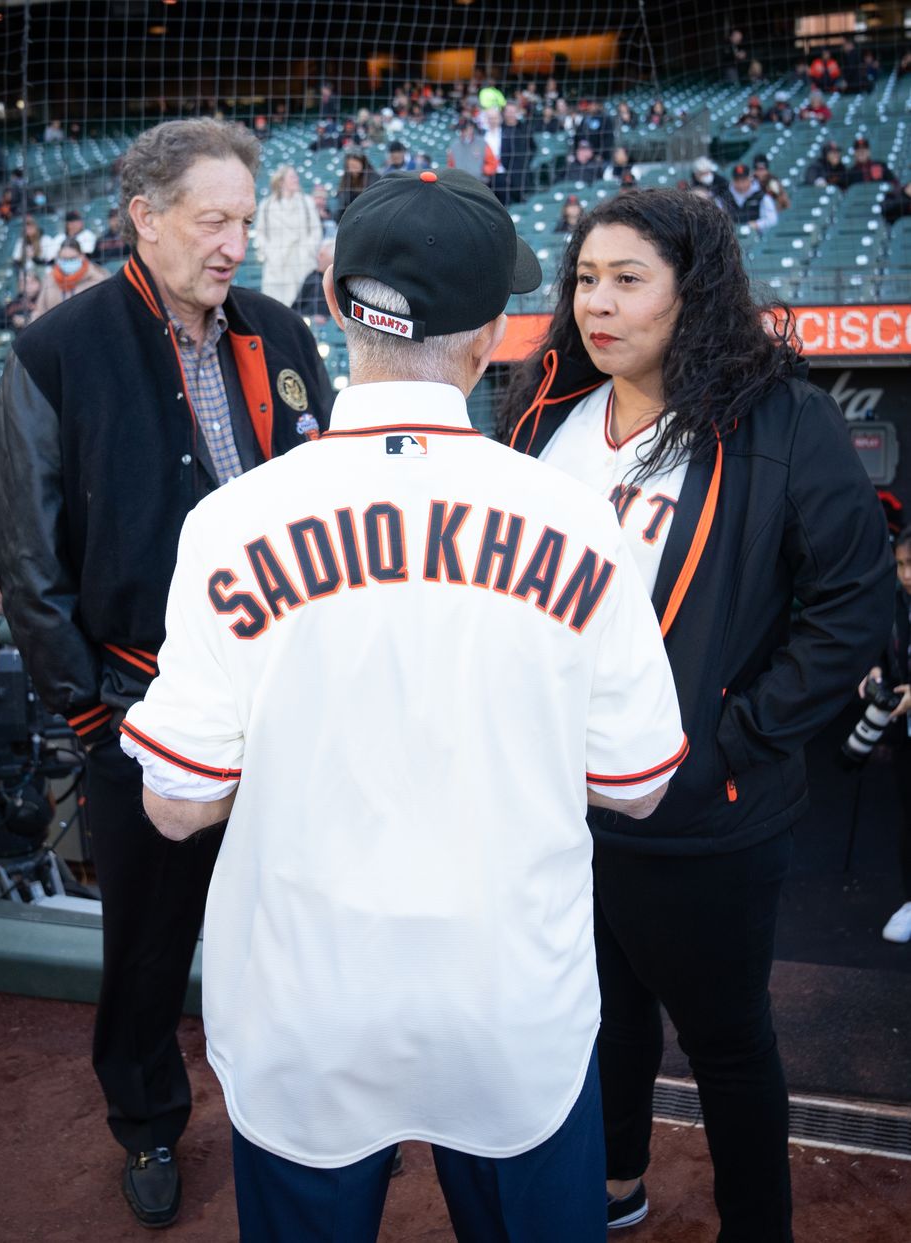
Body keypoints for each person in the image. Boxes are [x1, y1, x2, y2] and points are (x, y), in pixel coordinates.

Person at [118, 166, 686, 1243]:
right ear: (491, 336)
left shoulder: (232, 522)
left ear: (332, 300)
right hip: (508, 1000)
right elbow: (639, 782)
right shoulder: (576, 520)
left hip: (306, 1007)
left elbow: (179, 805)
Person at [499, 187, 893, 1242]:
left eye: (628, 279)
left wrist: (733, 740)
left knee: (725, 1040)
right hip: (555, 802)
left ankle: (754, 1223)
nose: (597, 302)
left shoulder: (779, 418)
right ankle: (614, 1181)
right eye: (585, 278)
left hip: (702, 807)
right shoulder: (541, 416)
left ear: (695, 289)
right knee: (598, 1015)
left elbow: (853, 601)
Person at [0, 117, 332, 1231]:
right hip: (137, 712)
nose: (234, 242)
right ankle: (145, 1124)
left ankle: (307, 1118)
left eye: (242, 219)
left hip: (286, 708)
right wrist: (87, 709)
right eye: (211, 219)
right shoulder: (56, 348)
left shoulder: (279, 331)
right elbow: (27, 557)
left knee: (295, 927)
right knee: (144, 950)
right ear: (144, 216)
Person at [859, 526, 911, 944]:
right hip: (904, 734)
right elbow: (878, 647)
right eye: (901, 565)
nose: (906, 574)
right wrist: (874, 674)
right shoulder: (893, 603)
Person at [254, 164, 322, 307]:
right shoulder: (266, 206)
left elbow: (316, 231)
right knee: (275, 305)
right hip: (277, 264)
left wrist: (309, 251)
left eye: (296, 176)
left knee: (301, 305)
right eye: (292, 177)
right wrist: (268, 253)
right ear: (281, 181)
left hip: (301, 261)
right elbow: (260, 234)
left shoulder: (306, 202)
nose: (296, 179)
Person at [29, 240, 110, 323]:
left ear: (81, 256)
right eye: (64, 259)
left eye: (72, 258)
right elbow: (40, 311)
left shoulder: (97, 279)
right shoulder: (49, 280)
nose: (68, 262)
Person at [291, 236, 334, 321]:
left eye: (322, 255)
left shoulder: (339, 282)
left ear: (332, 258)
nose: (318, 258)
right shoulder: (313, 278)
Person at [333, 147, 380, 222]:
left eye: (356, 165)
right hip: (349, 220)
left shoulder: (374, 178)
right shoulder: (345, 180)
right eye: (351, 166)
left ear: (362, 163)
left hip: (369, 219)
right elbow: (341, 205)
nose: (353, 169)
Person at [446, 116, 497, 183]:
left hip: (479, 182)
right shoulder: (454, 145)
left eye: (468, 128)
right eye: (464, 129)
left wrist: (481, 171)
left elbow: (492, 163)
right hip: (460, 183)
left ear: (472, 128)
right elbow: (450, 165)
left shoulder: (482, 143)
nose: (466, 131)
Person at [728, 162, 778, 231]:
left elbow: (772, 219)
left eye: (743, 180)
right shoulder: (725, 196)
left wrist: (757, 224)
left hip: (756, 236)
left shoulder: (762, 196)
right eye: (737, 180)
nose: (740, 184)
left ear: (750, 178)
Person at [4, 268, 42, 333]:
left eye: (32, 282)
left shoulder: (45, 299)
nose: (28, 286)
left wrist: (27, 321)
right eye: (24, 283)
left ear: (39, 283)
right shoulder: (13, 304)